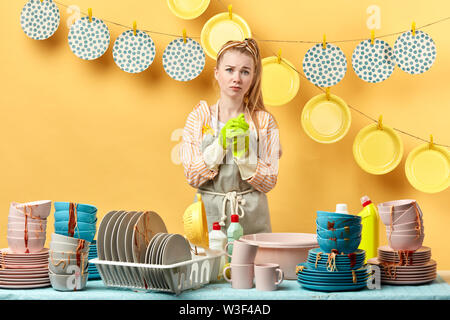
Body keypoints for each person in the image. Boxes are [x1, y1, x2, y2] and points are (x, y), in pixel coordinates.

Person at [180, 38, 282, 235]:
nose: (237, 78)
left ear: (253, 77)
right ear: (217, 73)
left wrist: (245, 155)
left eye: (245, 71)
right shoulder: (199, 117)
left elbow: (269, 182)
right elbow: (192, 176)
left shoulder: (265, 122)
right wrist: (220, 146)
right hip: (208, 218)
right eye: (229, 70)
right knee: (211, 266)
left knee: (252, 266)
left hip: (252, 218)